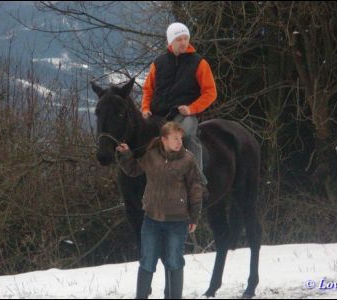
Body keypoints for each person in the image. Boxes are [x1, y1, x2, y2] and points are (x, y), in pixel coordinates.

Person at [116, 122, 204, 299]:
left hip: (177, 221)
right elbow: (133, 170)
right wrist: (125, 155)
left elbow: (195, 188)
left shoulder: (188, 160)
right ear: (164, 139)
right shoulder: (152, 156)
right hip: (151, 220)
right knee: (147, 262)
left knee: (174, 262)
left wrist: (194, 216)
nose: (179, 142)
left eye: (180, 138)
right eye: (175, 139)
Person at [141, 22, 217, 181]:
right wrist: (145, 108)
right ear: (170, 41)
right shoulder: (158, 63)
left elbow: (210, 92)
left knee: (185, 136)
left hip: (184, 115)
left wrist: (191, 109)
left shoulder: (199, 63)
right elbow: (148, 89)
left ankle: (197, 179)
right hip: (158, 115)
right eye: (179, 39)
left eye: (185, 38)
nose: (183, 42)